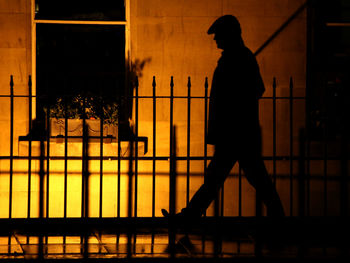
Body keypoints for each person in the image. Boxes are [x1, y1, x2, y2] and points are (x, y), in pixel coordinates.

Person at [163, 15, 284, 219]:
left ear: (229, 35)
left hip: (236, 132)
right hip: (238, 132)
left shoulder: (241, 58)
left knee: (224, 178)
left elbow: (255, 89)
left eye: (218, 34)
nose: (215, 39)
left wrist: (233, 109)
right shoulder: (238, 57)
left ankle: (189, 215)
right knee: (240, 178)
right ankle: (190, 215)